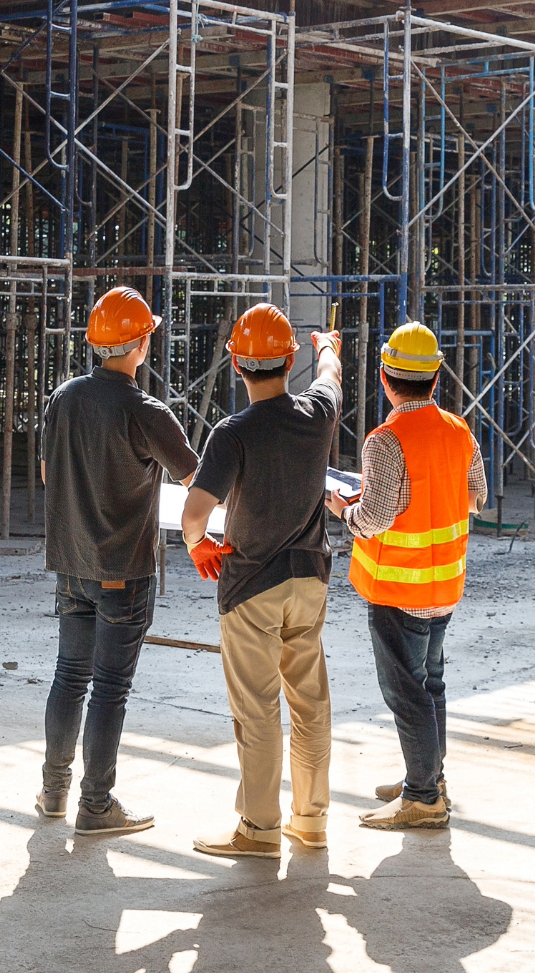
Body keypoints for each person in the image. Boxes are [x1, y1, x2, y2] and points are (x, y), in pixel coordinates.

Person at [181, 305, 342, 859]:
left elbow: (195, 511)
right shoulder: (319, 412)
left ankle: (259, 829)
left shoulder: (233, 433)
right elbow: (331, 377)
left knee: (257, 710)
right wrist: (327, 346)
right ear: (288, 359)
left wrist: (197, 544)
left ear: (236, 366)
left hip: (252, 586)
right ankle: (312, 821)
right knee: (310, 704)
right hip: (310, 581)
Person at [39, 285, 197, 836]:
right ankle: (96, 806)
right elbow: (197, 480)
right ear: (140, 343)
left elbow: (46, 474)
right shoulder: (144, 410)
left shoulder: (64, 398)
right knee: (109, 688)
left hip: (70, 564)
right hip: (122, 573)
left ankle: (54, 792)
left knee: (69, 676)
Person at [327, 320, 486, 830]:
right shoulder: (459, 430)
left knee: (406, 691)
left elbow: (373, 521)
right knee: (431, 684)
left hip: (400, 588)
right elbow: (475, 495)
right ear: (436, 378)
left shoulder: (385, 439)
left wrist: (342, 509)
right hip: (445, 585)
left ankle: (422, 798)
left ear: (384, 377)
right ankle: (430, 777)